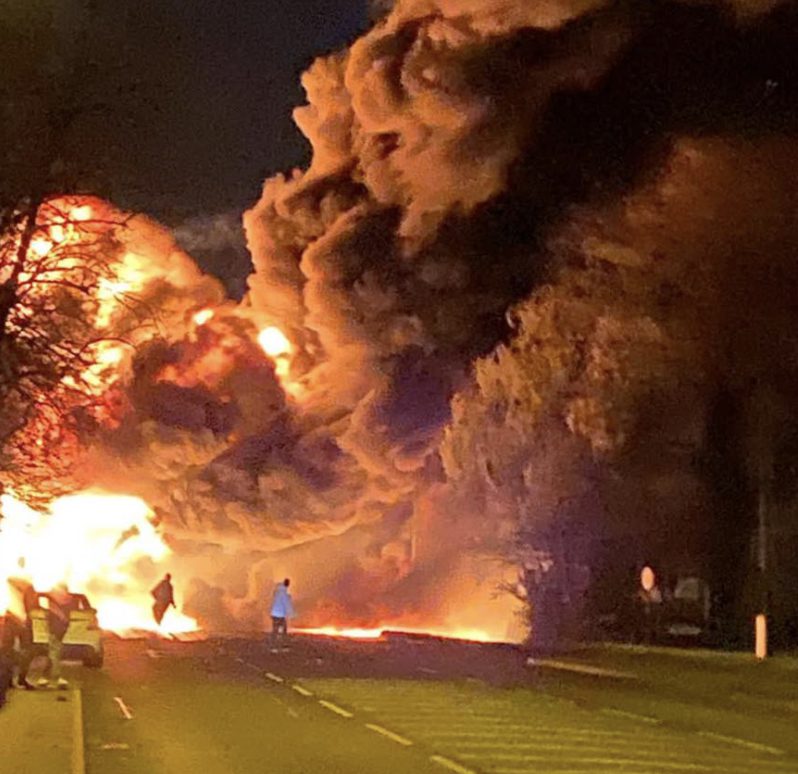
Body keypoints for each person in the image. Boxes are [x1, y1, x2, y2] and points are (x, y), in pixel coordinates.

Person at [3, 579, 37, 691]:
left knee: (24, 652)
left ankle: (17, 679)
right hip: (13, 623)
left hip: (20, 623)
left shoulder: (24, 591)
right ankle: (11, 680)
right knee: (9, 653)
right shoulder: (10, 592)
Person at [39, 583, 71, 690]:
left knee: (53, 655)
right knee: (54, 655)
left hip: (59, 632)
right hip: (54, 632)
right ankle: (56, 678)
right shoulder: (52, 604)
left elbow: (65, 619)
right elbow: (50, 616)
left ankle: (45, 677)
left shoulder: (64, 603)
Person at [270, 578, 294, 652]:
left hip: (274, 614)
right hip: (280, 615)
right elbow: (287, 604)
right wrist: (291, 614)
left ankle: (273, 647)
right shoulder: (284, 593)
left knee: (275, 631)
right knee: (283, 631)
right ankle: (283, 646)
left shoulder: (277, 592)